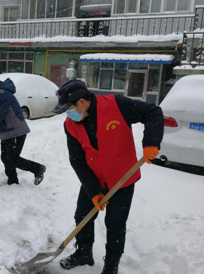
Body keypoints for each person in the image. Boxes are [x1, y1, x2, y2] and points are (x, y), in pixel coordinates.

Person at [52, 79, 163, 274]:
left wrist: (151, 143)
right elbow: (77, 160)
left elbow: (153, 112)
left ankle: (111, 267)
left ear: (82, 101)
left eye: (69, 108)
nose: (67, 114)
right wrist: (93, 191)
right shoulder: (70, 125)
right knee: (82, 216)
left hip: (123, 177)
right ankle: (84, 253)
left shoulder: (117, 105)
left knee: (115, 224)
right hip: (93, 178)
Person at [0, 68, 46, 186]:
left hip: (15, 132)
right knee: (6, 157)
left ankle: (38, 169)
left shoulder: (2, 94)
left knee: (12, 158)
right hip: (7, 131)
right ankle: (13, 181)